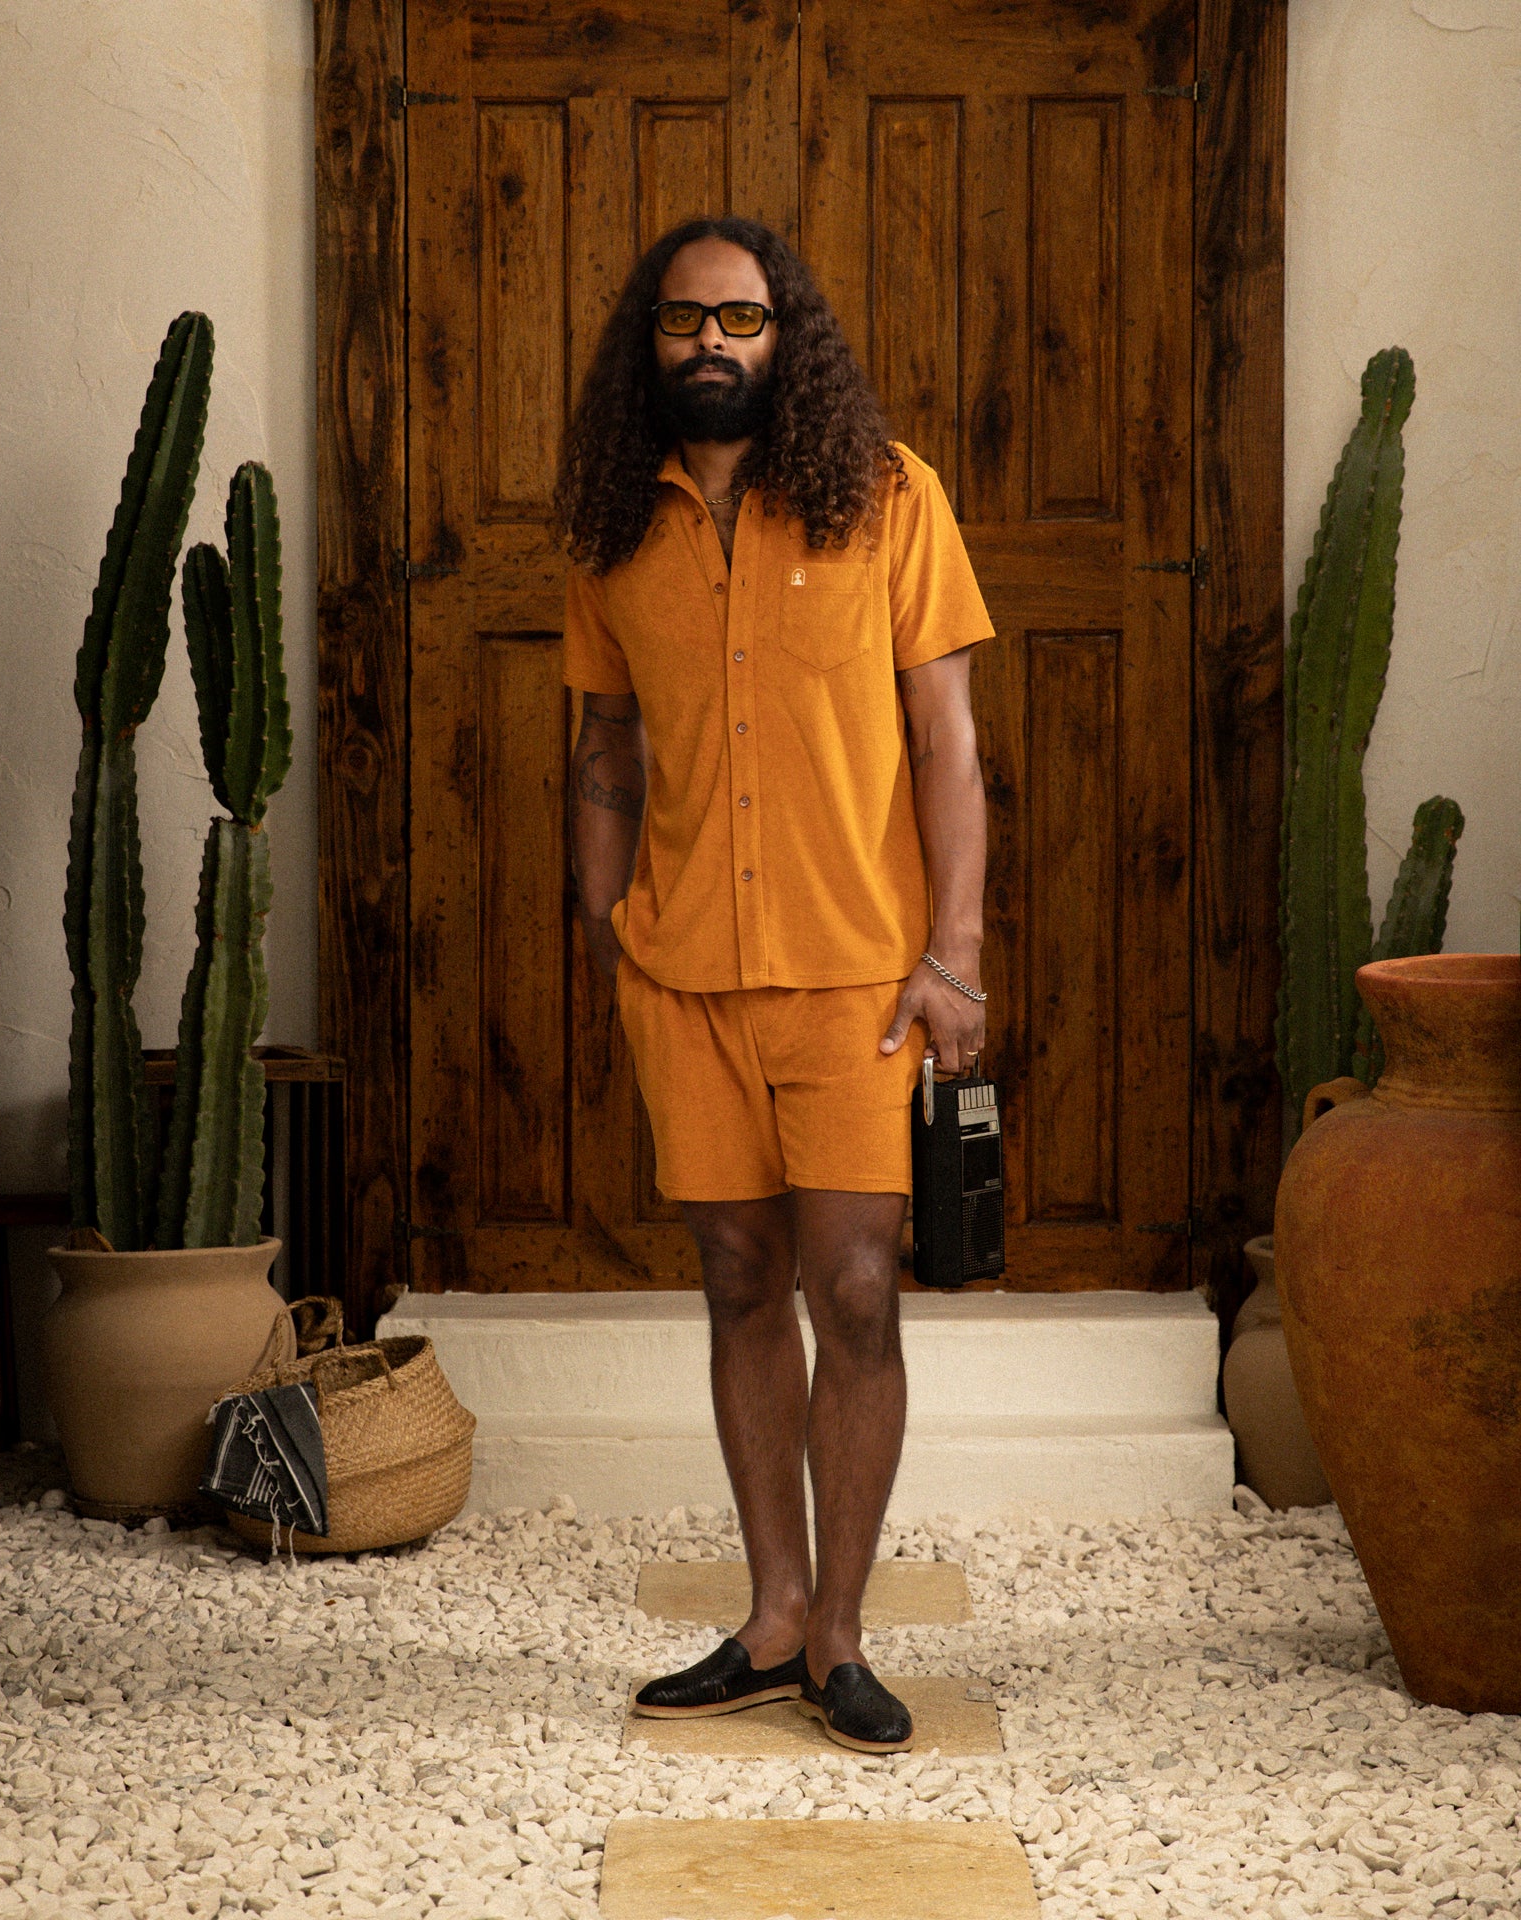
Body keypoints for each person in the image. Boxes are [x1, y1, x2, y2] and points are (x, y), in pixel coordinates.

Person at [554, 215, 992, 1754]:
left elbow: (948, 741)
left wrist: (955, 957)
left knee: (855, 1288)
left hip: (860, 978)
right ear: (651, 341)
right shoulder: (616, 528)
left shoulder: (890, 498)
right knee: (739, 1280)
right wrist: (608, 920)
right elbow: (606, 742)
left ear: (784, 335)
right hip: (685, 978)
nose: (712, 344)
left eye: (740, 319)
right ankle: (775, 1617)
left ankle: (846, 1641)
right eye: (685, 321)